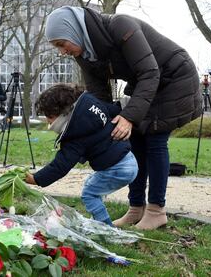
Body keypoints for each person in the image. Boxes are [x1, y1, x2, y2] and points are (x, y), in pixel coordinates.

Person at [44, 6, 201, 230]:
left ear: (73, 31)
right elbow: (99, 95)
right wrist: (102, 123)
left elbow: (150, 72)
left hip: (173, 77)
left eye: (61, 44)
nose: (62, 51)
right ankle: (136, 208)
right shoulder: (86, 53)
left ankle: (156, 210)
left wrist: (128, 117)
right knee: (133, 139)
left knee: (155, 139)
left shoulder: (120, 26)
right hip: (147, 84)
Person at [25, 84, 138, 227]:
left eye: (48, 116)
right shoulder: (91, 103)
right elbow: (115, 109)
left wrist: (36, 179)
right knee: (92, 183)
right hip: (129, 160)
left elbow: (61, 165)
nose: (48, 121)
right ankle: (96, 219)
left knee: (89, 194)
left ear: (59, 112)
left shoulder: (74, 134)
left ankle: (106, 228)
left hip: (116, 169)